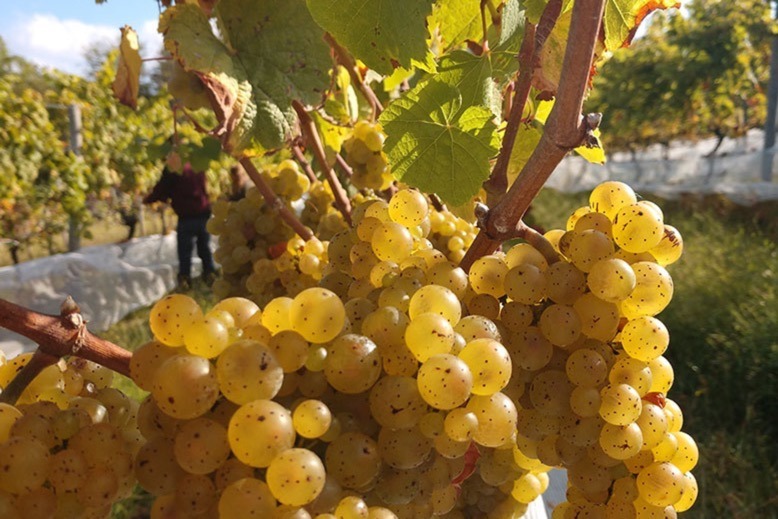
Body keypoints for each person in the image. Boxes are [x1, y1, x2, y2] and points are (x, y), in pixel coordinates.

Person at [144, 162, 217, 289]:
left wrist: (149, 199)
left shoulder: (173, 166)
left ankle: (186, 282)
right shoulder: (196, 161)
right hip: (203, 212)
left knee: (185, 253)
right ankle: (210, 278)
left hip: (187, 217)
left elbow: (162, 189)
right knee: (205, 249)